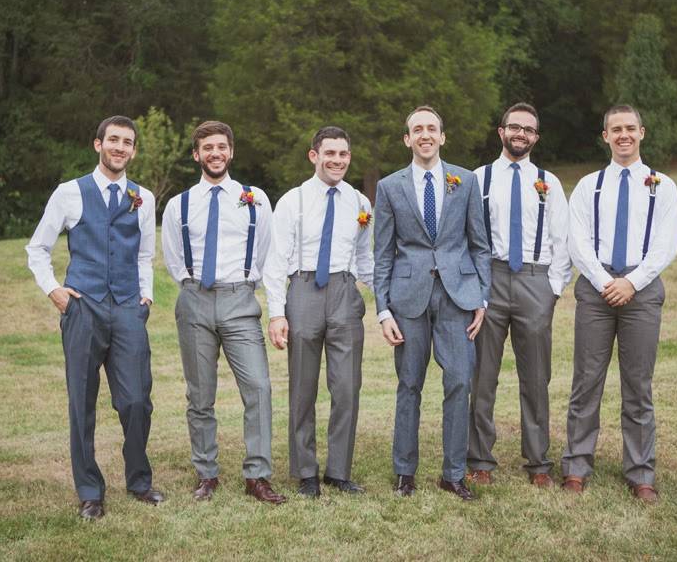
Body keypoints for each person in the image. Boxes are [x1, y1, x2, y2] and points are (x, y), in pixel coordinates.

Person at [26, 115, 164, 520]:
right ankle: (90, 491)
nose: (120, 147)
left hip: (128, 308)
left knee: (137, 400)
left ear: (133, 150)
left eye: (128, 142)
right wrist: (54, 289)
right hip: (83, 307)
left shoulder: (143, 197)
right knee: (82, 402)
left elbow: (144, 255)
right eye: (114, 140)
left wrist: (145, 298)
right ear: (98, 144)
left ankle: (139, 480)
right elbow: (38, 248)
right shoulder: (69, 193)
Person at [161, 121, 287, 505]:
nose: (215, 153)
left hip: (240, 300)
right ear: (196, 155)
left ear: (231, 152)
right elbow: (173, 258)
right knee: (200, 395)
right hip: (194, 300)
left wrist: (260, 297)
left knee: (259, 388)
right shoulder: (179, 204)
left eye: (221, 147)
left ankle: (257, 476)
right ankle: (207, 474)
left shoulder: (255, 199)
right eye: (207, 148)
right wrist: (195, 287)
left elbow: (268, 253)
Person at [561, 104, 677, 502]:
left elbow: (666, 244)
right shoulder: (588, 186)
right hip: (596, 288)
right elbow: (577, 241)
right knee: (586, 382)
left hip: (641, 289)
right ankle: (576, 467)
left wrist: (631, 282)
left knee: (638, 385)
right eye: (616, 129)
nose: (623, 135)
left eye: (630, 128)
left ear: (641, 133)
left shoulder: (662, 186)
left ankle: (641, 473)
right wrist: (604, 281)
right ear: (606, 136)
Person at [373, 106, 491, 501]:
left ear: (442, 136)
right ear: (407, 139)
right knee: (409, 384)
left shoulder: (466, 181)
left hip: (458, 296)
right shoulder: (390, 186)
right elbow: (383, 254)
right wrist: (383, 311)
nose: (425, 135)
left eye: (432, 128)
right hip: (408, 299)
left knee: (459, 381)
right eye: (417, 129)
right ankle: (405, 473)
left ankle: (453, 474)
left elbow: (480, 245)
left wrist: (481, 297)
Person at [264, 126, 374, 498]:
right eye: (330, 153)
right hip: (303, 290)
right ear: (314, 156)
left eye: (343, 154)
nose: (337, 160)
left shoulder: (359, 202)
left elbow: (365, 258)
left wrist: (388, 300)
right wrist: (277, 313)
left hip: (344, 292)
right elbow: (276, 261)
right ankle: (306, 472)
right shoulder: (292, 200)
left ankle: (338, 471)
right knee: (303, 386)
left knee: (347, 387)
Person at [467, 103, 572, 488]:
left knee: (536, 377)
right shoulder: (478, 179)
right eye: (514, 127)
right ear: (501, 132)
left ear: (535, 138)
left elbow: (563, 240)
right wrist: (473, 289)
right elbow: (465, 235)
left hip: (534, 279)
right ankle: (480, 459)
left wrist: (552, 289)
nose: (520, 134)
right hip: (489, 280)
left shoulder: (549, 182)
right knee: (482, 376)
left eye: (528, 129)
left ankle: (539, 462)